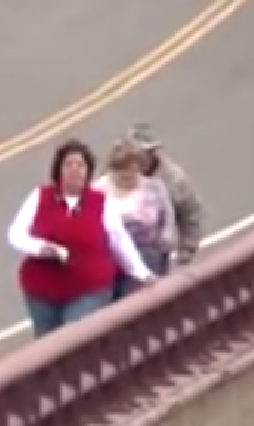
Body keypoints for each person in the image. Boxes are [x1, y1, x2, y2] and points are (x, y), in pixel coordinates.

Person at [8, 139, 156, 339]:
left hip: (89, 289)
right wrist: (42, 248)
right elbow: (16, 234)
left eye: (81, 165)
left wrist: (141, 272)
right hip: (41, 290)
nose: (75, 170)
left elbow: (119, 240)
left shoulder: (101, 203)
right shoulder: (40, 196)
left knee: (72, 338)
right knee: (46, 344)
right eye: (68, 165)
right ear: (58, 170)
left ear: (88, 171)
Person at [92, 140, 176, 300]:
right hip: (113, 258)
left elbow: (167, 218)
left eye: (131, 171)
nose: (127, 177)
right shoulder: (97, 192)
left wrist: (167, 238)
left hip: (149, 254)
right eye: (121, 172)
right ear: (112, 171)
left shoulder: (153, 188)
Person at [126, 123, 205, 266]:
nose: (138, 158)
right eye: (134, 153)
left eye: (143, 153)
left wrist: (187, 247)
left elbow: (190, 213)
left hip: (153, 253)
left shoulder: (173, 180)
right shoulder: (118, 172)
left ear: (152, 152)